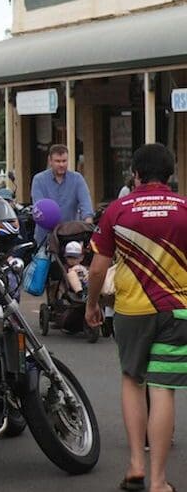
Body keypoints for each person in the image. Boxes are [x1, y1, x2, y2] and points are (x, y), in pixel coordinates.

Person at [86, 143, 186, 492]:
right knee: (163, 390)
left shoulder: (118, 209)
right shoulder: (184, 208)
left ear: (136, 174)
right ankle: (159, 482)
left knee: (132, 381)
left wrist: (92, 304)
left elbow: (98, 268)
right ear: (171, 175)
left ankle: (135, 466)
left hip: (132, 310)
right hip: (177, 311)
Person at [31, 144, 93, 245]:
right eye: (57, 161)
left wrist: (88, 227)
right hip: (45, 238)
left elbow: (86, 205)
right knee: (41, 260)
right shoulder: (39, 180)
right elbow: (39, 209)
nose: (61, 165)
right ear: (50, 161)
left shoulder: (77, 179)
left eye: (64, 161)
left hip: (71, 236)